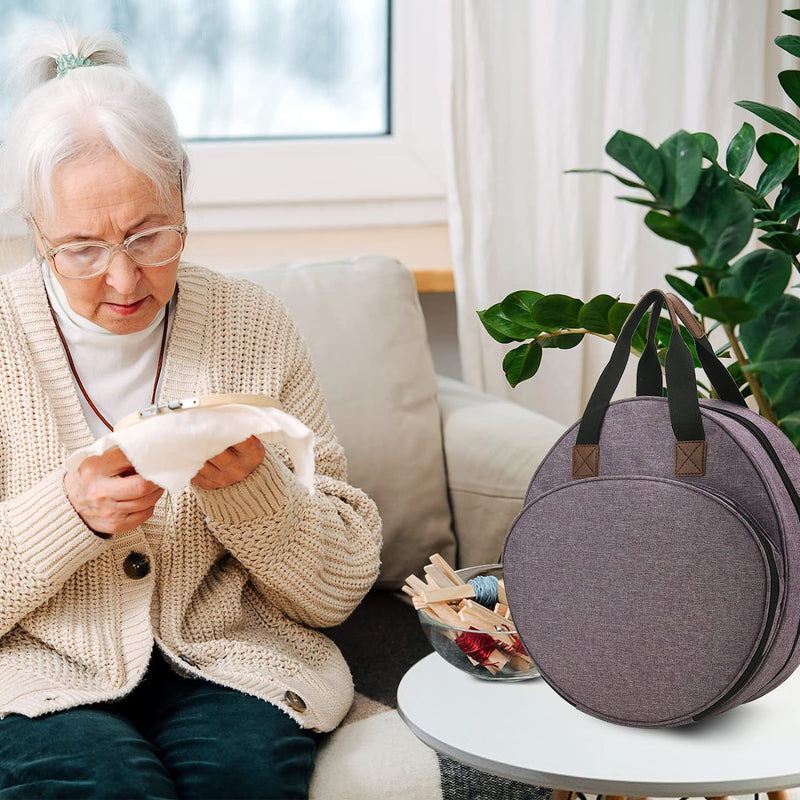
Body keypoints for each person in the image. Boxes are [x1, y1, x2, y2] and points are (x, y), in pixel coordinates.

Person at [0, 27, 382, 800]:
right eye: (80, 248)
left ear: (183, 193)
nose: (123, 277)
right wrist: (67, 515)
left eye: (150, 235)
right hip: (39, 674)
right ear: (36, 232)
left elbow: (340, 586)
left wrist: (257, 493)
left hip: (229, 660)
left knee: (240, 777)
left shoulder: (251, 323)